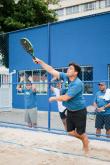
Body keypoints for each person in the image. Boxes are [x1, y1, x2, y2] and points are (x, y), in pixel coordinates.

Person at [33, 57, 89, 153]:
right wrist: (40, 62)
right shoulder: (65, 77)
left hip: (79, 111)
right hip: (70, 110)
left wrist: (54, 98)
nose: (68, 69)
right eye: (68, 68)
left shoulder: (77, 83)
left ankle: (85, 146)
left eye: (71, 68)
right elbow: (51, 70)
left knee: (81, 133)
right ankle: (84, 138)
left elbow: (66, 97)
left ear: (76, 72)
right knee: (70, 132)